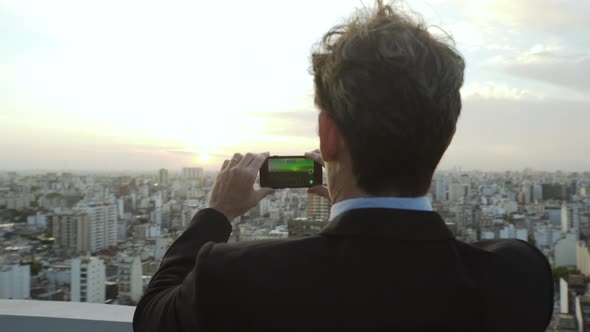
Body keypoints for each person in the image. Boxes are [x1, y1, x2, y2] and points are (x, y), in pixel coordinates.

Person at [133, 1, 553, 331]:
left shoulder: (236, 277)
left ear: (327, 135)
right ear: (444, 138)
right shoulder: (518, 278)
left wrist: (216, 213)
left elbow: (153, 316)